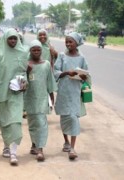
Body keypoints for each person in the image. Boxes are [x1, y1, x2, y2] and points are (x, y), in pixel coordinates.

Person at [0, 28, 28, 166]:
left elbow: (25, 72)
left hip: (16, 94)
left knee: (16, 121)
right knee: (4, 122)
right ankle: (6, 146)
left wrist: (24, 83)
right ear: (5, 39)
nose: (12, 41)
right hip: (1, 93)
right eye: (10, 38)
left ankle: (14, 152)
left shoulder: (23, 53)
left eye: (15, 38)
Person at [54, 32, 91, 160]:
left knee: (74, 117)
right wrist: (66, 72)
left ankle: (73, 148)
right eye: (67, 41)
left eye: (71, 42)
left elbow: (86, 74)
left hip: (75, 91)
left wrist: (82, 76)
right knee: (65, 117)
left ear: (77, 43)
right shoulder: (62, 56)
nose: (68, 44)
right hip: (63, 91)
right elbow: (55, 71)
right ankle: (66, 141)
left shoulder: (82, 58)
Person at [24, 40, 57, 162]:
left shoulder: (46, 64)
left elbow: (50, 81)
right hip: (29, 98)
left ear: (41, 51)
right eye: (34, 50)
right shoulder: (26, 64)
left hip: (42, 98)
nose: (36, 52)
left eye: (38, 50)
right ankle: (34, 144)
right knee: (32, 124)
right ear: (30, 51)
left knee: (41, 123)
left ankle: (40, 149)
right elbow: (22, 81)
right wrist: (26, 71)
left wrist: (52, 97)